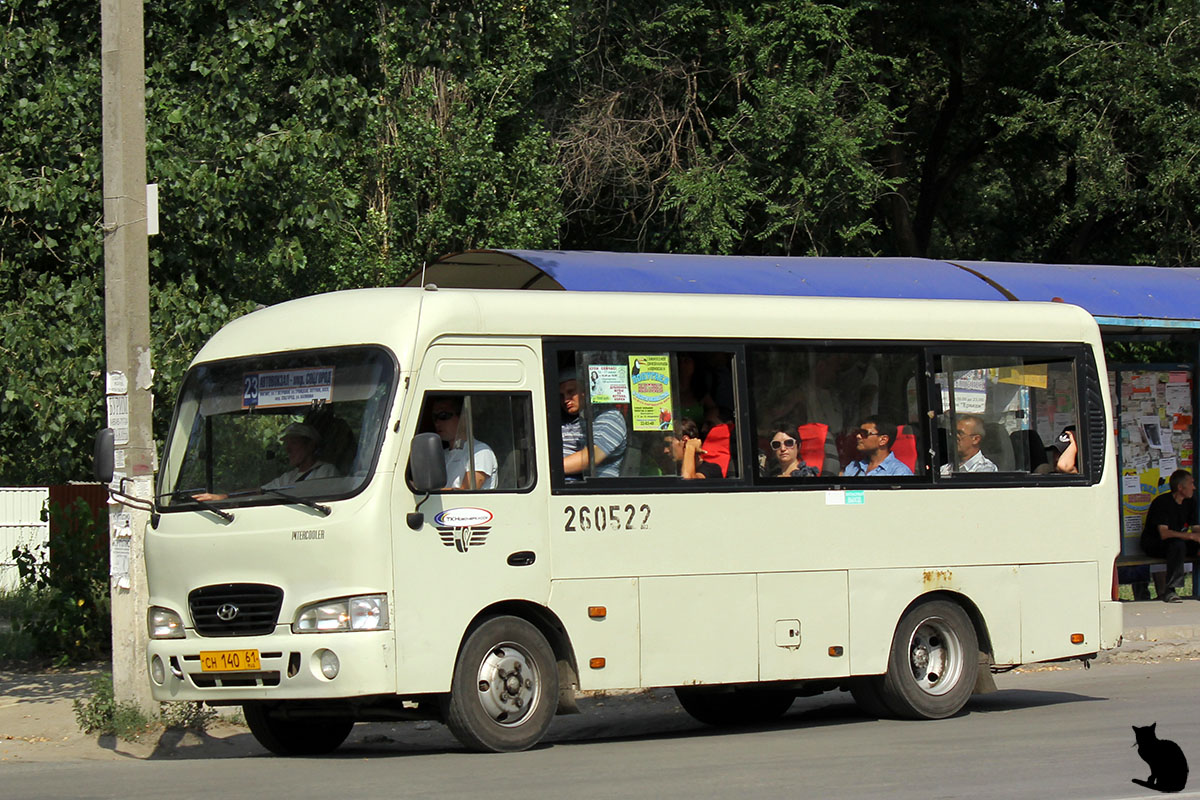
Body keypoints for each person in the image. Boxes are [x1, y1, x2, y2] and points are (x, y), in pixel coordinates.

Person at [194, 422, 337, 501]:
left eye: (293, 443)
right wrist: (224, 497)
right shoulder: (289, 477)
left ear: (310, 445)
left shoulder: (326, 471)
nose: (288, 449)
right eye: (286, 444)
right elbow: (260, 491)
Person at [1140, 469, 1200, 603]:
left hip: (1179, 542)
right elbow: (1164, 533)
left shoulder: (1191, 502)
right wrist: (1191, 536)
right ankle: (1170, 590)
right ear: (1180, 487)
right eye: (1191, 484)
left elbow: (1196, 528)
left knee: (1184, 544)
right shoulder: (1162, 503)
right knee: (1177, 545)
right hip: (1155, 544)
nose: (1194, 488)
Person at [560, 371, 626, 479]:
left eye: (571, 392)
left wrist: (547, 470)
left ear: (585, 391)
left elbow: (591, 457)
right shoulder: (567, 421)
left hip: (586, 490)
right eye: (561, 395)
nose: (565, 400)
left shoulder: (610, 418)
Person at [430, 396, 497, 490]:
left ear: (463, 418)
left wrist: (428, 491)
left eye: (443, 416)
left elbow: (466, 492)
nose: (437, 423)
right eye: (434, 417)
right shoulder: (442, 455)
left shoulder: (479, 451)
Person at [841, 419, 913, 477]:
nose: (858, 436)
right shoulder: (853, 466)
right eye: (858, 432)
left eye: (864, 433)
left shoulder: (900, 472)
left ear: (883, 440)